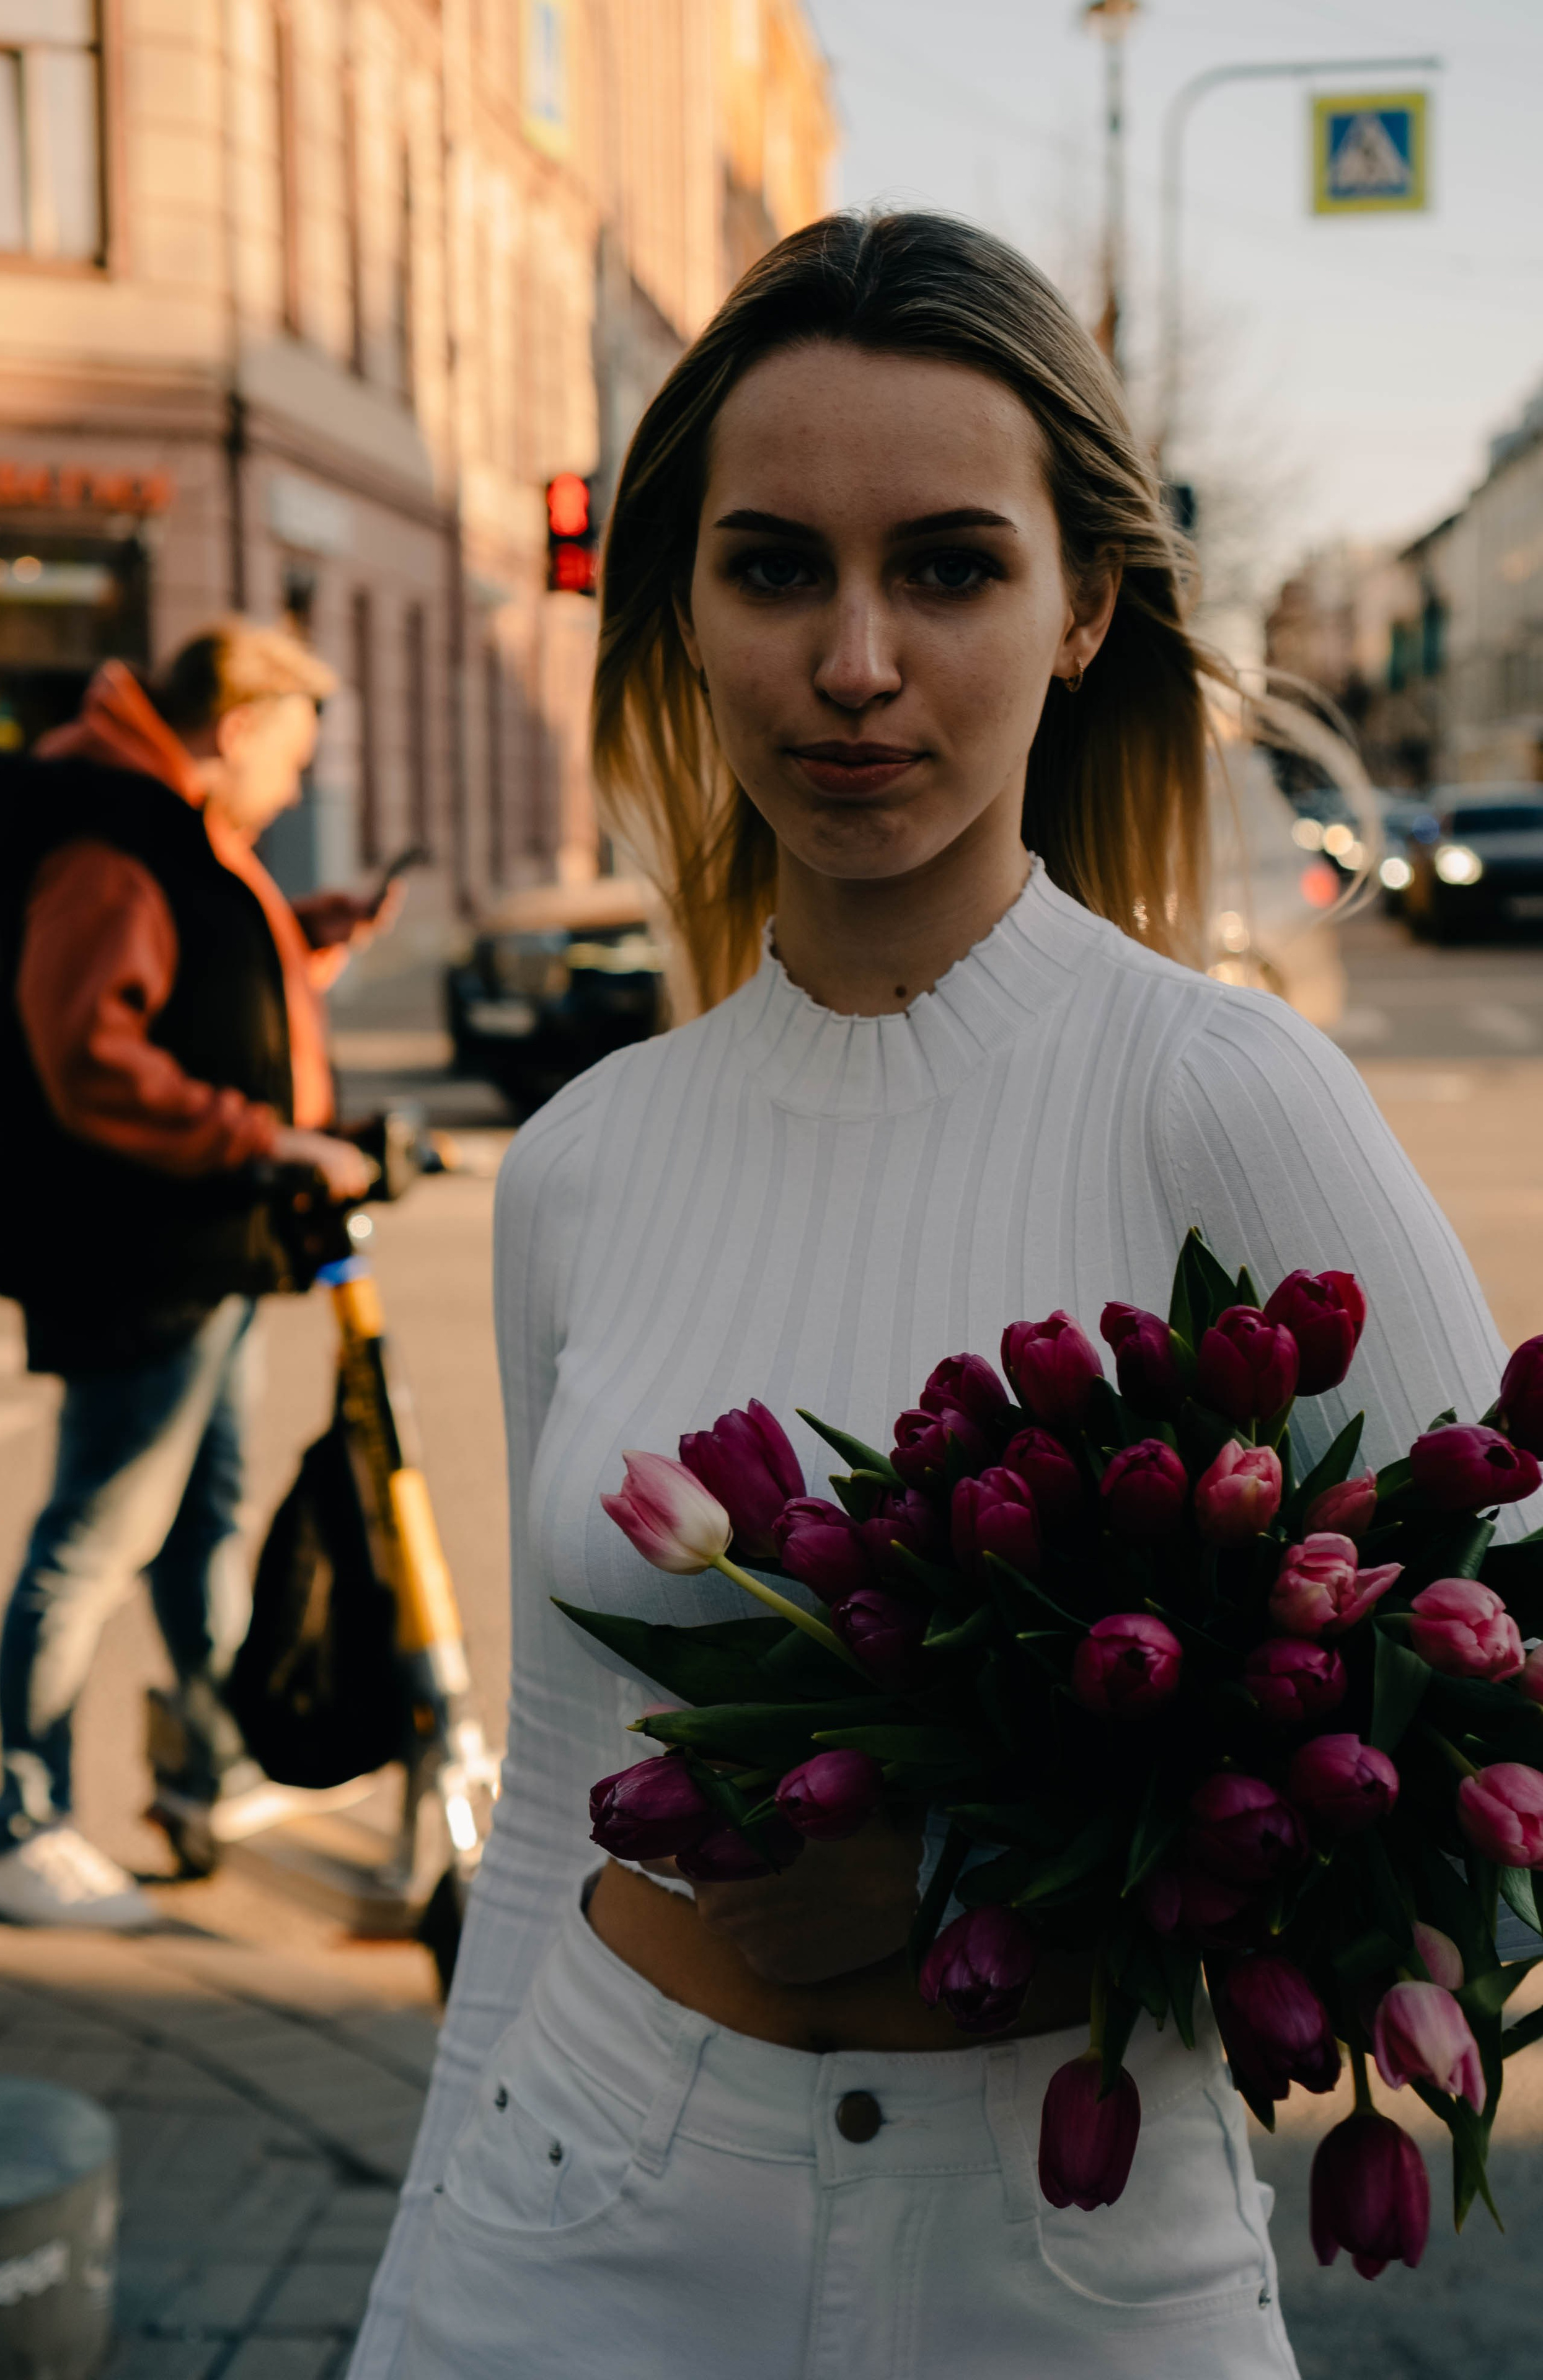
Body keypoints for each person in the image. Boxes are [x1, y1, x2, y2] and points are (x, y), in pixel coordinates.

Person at [353, 215, 1527, 2379]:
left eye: (952, 568)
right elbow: (553, 1796)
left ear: (1085, 603)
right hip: (578, 2191)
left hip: (1060, 2246)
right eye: (777, 566)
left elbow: (1505, 1722)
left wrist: (981, 1871)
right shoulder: (588, 1162)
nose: (858, 660)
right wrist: (424, 2273)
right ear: (682, 612)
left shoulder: (1226, 1098)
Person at [0, 619, 391, 1929]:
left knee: (196, 1522)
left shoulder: (170, 821)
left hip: (197, 1244)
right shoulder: (116, 831)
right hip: (135, 1246)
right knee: (97, 1533)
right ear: (236, 725)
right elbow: (92, 1054)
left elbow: (191, 986)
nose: (296, 787)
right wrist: (269, 1137)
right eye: (294, 757)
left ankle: (210, 1767)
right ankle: (21, 1822)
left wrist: (297, 945)